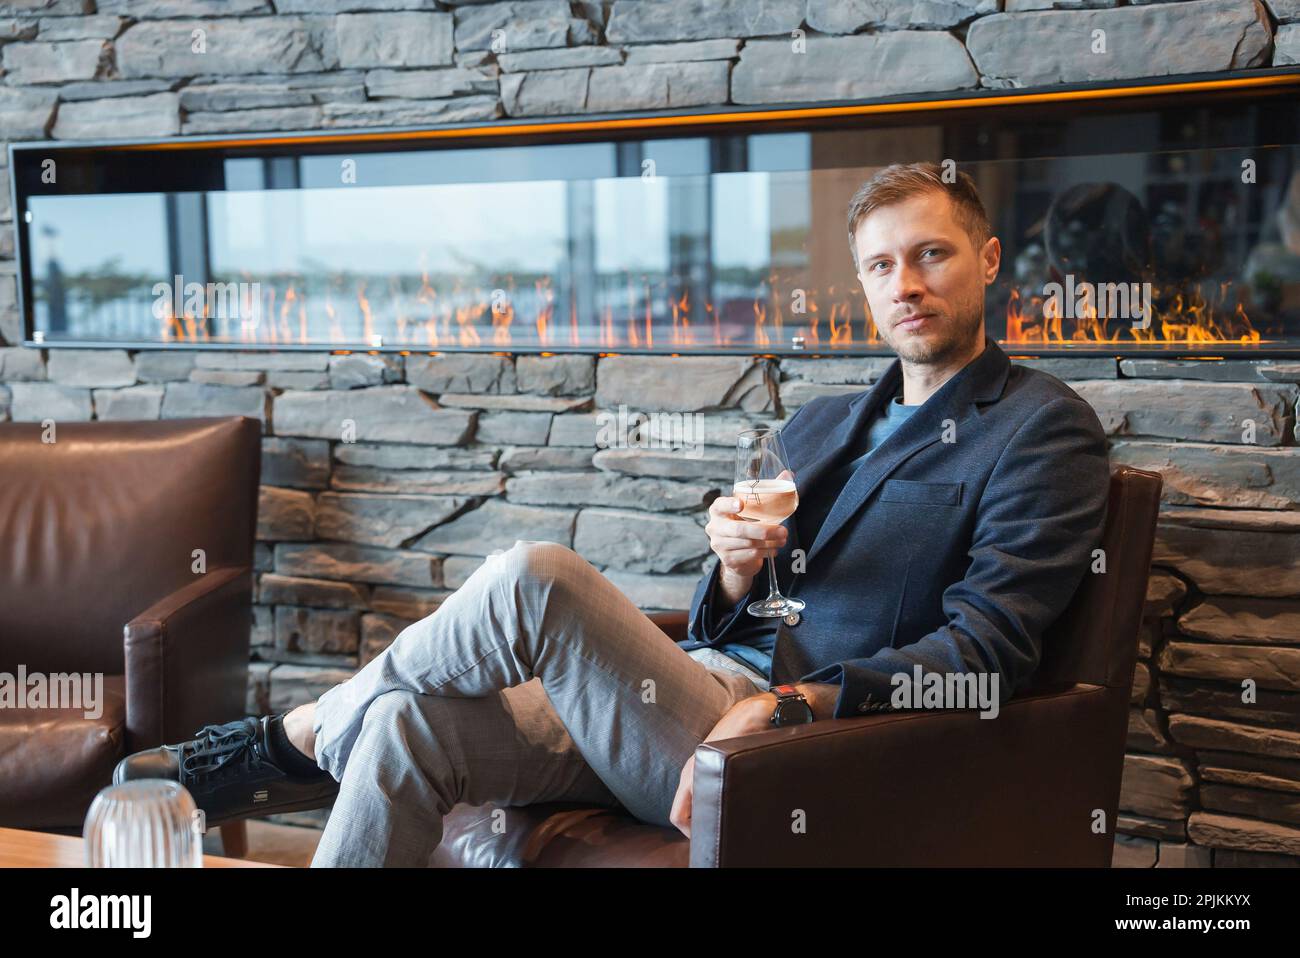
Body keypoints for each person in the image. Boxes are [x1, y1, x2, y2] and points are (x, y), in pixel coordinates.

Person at [113, 161, 1110, 867]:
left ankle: (292, 740)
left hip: (805, 747)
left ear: (985, 260)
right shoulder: (821, 423)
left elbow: (985, 656)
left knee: (536, 575)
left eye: (930, 255)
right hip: (698, 689)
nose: (908, 284)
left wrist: (796, 703)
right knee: (407, 726)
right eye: (883, 267)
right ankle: (331, 733)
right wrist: (728, 568)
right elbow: (725, 621)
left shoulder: (1038, 431)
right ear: (862, 285)